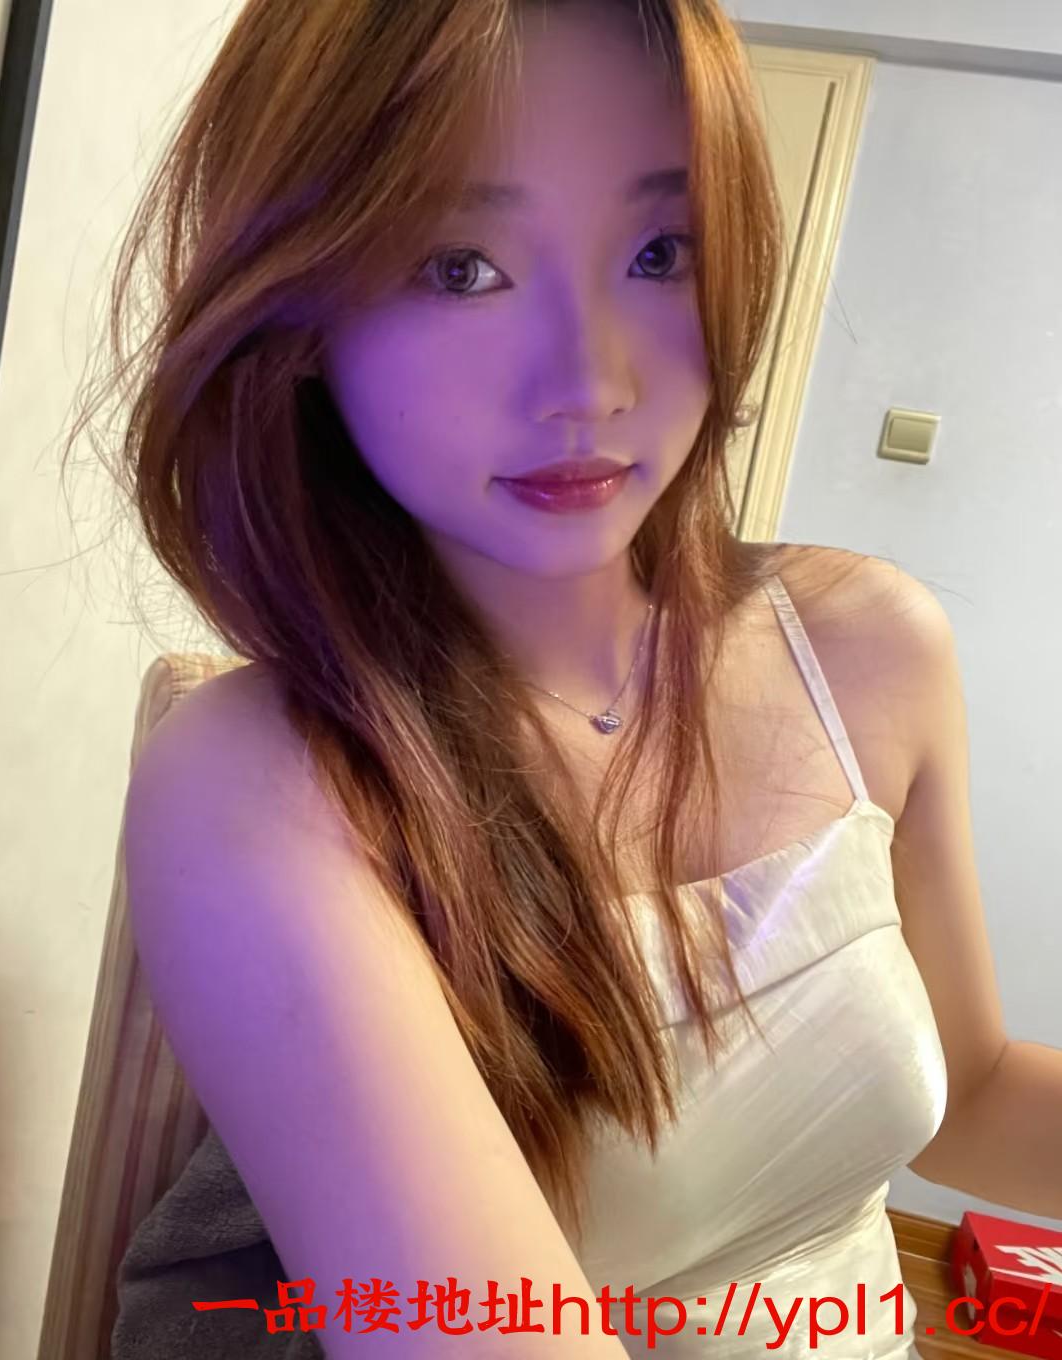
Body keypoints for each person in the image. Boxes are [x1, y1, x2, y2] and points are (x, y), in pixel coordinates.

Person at [64, 0, 1023, 1356]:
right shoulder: (262, 779)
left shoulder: (867, 646)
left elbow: (974, 1100)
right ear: (296, 313)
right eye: (458, 267)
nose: (589, 381)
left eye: (659, 250)